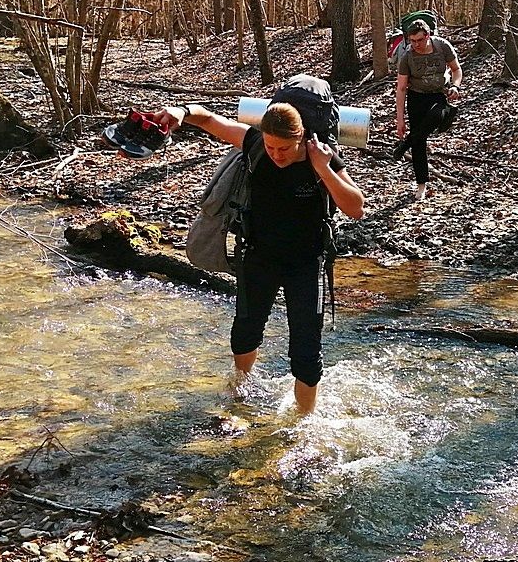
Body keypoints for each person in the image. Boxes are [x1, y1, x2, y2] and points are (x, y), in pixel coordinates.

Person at [150, 101, 365, 415]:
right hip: (258, 257)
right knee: (246, 330)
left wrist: (322, 169)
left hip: (306, 264)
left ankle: (303, 421)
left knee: (306, 351)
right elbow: (212, 121)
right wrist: (182, 112)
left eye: (284, 148)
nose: (276, 155)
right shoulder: (254, 145)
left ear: (301, 137)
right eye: (270, 146)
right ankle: (240, 394)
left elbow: (356, 207)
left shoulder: (323, 155)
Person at [393, 18, 463, 201]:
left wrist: (455, 86)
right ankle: (421, 184)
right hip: (416, 97)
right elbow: (401, 88)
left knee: (435, 115)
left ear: (428, 36)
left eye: (419, 40)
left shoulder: (442, 47)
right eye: (412, 41)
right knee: (419, 142)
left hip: (438, 94)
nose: (415, 44)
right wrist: (400, 120)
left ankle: (405, 145)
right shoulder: (407, 56)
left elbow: (456, 69)